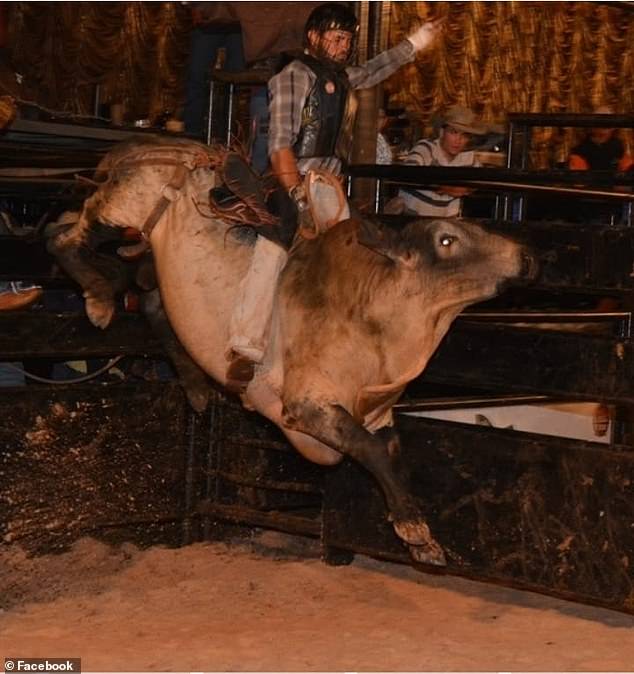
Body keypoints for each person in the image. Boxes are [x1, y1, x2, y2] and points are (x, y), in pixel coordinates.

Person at [224, 2, 441, 391]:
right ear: (314, 37)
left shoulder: (339, 78)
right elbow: (279, 145)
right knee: (274, 246)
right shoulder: (292, 76)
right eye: (337, 38)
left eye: (347, 40)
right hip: (295, 177)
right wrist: (295, 195)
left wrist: (417, 42)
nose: (343, 46)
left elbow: (375, 68)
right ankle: (245, 345)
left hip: (329, 184)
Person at [396, 104, 488, 218]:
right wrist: (444, 187)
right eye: (453, 132)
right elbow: (408, 173)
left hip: (446, 223)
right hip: (412, 221)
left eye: (464, 136)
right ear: (441, 132)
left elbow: (484, 179)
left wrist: (468, 188)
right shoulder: (426, 148)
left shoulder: (468, 157)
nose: (458, 140)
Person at [568, 106, 633, 172]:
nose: (603, 130)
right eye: (602, 124)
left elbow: (626, 166)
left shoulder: (617, 146)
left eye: (607, 125)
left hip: (613, 181)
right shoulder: (582, 149)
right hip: (590, 181)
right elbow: (579, 173)